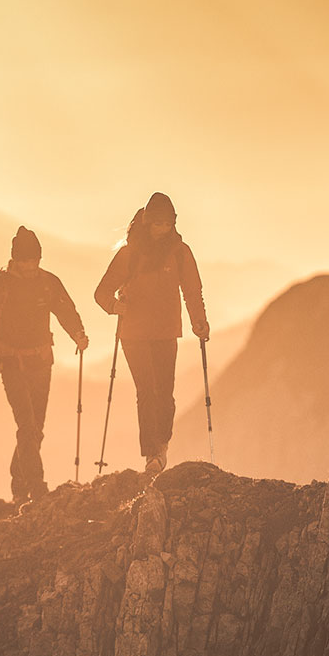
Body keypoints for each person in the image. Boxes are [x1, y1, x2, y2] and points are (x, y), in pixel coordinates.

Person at [0, 226, 89, 503]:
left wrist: (78, 334)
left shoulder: (48, 283)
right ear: (15, 259)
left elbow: (65, 310)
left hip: (41, 362)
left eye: (35, 260)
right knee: (27, 424)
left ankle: (19, 485)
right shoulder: (0, 287)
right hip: (11, 363)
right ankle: (36, 487)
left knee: (35, 428)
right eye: (25, 260)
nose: (31, 266)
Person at [94, 192, 208, 474]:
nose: (162, 229)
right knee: (147, 390)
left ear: (173, 223)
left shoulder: (180, 252)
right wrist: (115, 306)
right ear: (147, 222)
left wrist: (199, 323)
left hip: (166, 332)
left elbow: (192, 291)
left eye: (167, 224)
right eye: (157, 224)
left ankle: (161, 445)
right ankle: (152, 455)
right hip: (133, 334)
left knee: (165, 393)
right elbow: (101, 293)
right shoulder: (130, 254)